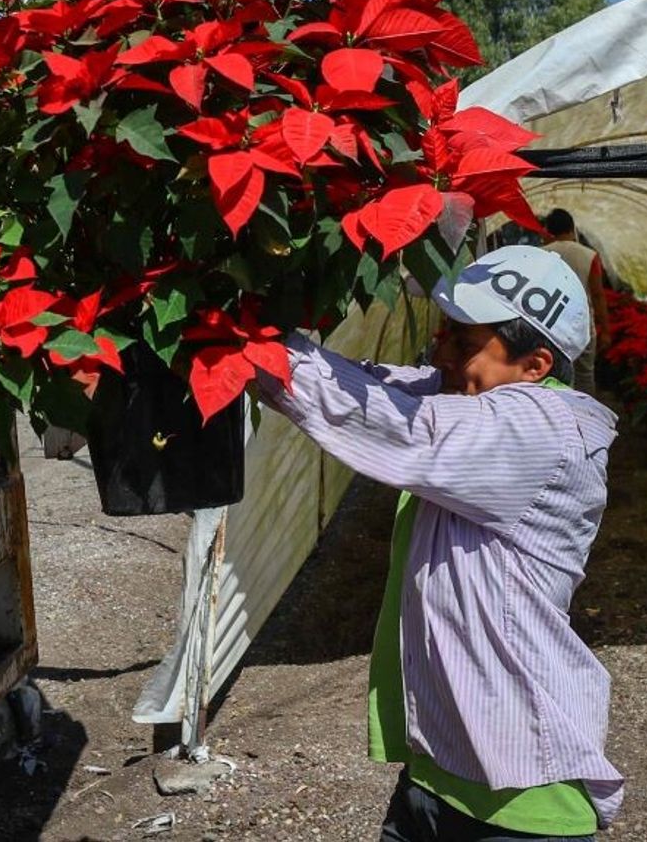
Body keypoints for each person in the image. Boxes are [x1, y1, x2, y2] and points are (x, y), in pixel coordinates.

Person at [257, 245, 623, 841]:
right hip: (436, 776)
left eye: (464, 342)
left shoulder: (540, 431)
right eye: (446, 332)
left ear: (535, 365)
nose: (440, 353)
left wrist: (254, 346)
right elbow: (382, 387)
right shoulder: (468, 396)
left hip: (523, 804)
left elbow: (402, 427)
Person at [539, 209, 611, 396]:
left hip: (551, 322)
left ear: (548, 230)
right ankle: (589, 418)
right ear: (572, 228)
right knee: (585, 375)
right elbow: (597, 295)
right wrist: (605, 330)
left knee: (558, 377)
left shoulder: (541, 254)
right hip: (583, 322)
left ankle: (561, 418)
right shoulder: (589, 255)